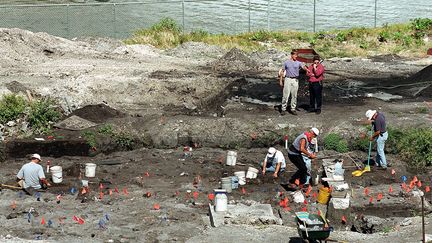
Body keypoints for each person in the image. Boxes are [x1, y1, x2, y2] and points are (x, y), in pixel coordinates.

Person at [279, 51, 307, 116]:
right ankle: (283, 109)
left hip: (295, 79)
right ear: (291, 55)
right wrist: (280, 80)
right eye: (295, 55)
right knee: (286, 95)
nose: (296, 56)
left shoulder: (298, 63)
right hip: (287, 79)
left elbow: (303, 67)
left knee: (294, 95)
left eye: (297, 55)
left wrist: (306, 68)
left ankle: (293, 109)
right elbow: (282, 71)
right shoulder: (286, 62)